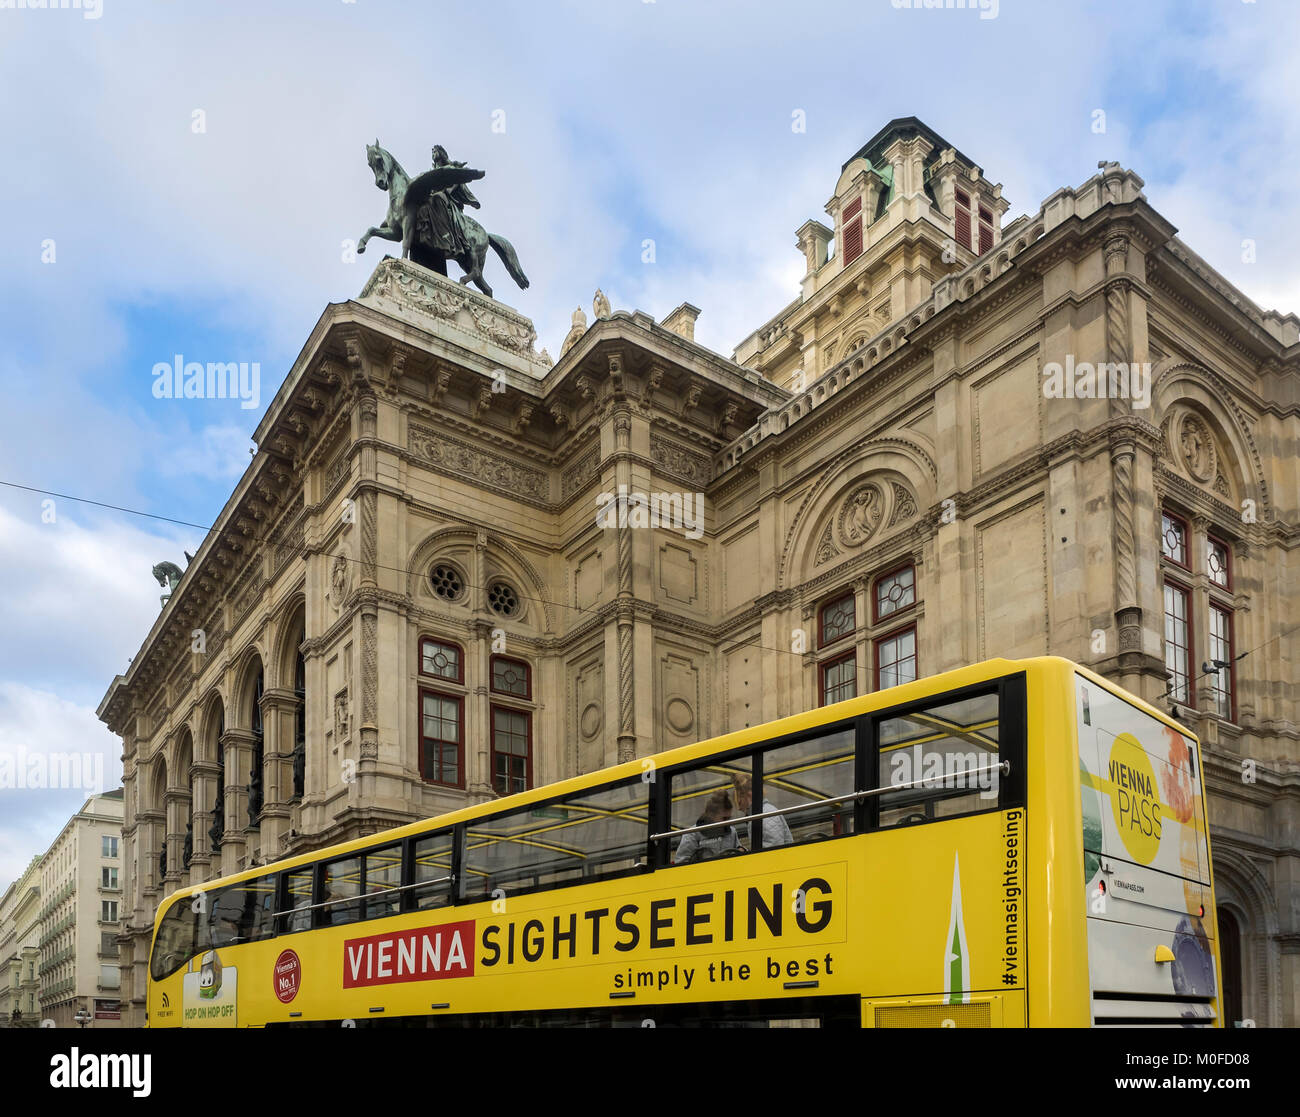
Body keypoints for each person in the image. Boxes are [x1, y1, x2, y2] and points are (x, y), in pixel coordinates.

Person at [673, 790, 739, 864]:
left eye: (729, 818)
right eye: (724, 818)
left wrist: (741, 849)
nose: (727, 822)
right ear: (711, 815)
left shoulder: (731, 832)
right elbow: (681, 862)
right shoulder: (692, 834)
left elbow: (738, 851)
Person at [731, 773, 793, 849]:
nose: (739, 806)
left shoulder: (762, 815)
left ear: (748, 794)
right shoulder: (762, 812)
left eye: (739, 799)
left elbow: (772, 850)